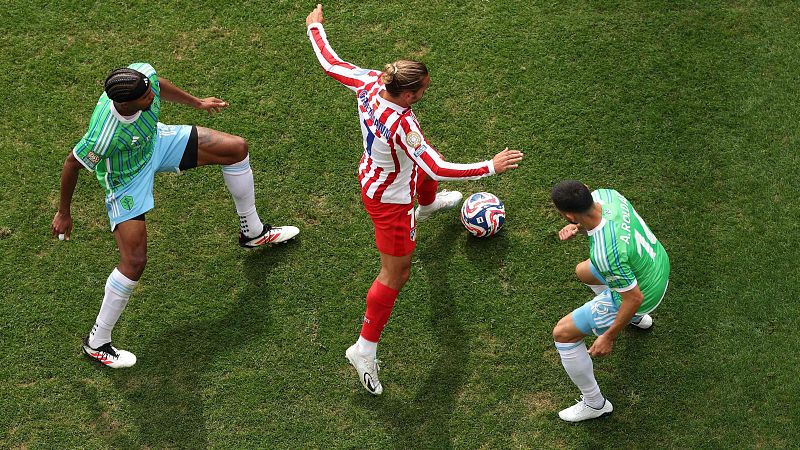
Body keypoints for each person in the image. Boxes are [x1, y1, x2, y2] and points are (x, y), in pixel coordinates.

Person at [305, 4, 524, 395]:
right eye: (423, 89)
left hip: (378, 171)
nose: (426, 92)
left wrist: (315, 28)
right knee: (396, 274)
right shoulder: (402, 124)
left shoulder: (371, 81)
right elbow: (439, 167)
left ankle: (426, 206)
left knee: (417, 172)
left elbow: (330, 63)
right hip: (390, 201)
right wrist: (490, 166)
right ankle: (364, 349)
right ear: (407, 93)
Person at [51, 63, 299, 368]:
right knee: (135, 262)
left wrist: (196, 102)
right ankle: (97, 342)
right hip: (127, 180)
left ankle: (253, 232)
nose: (153, 94)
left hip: (156, 142)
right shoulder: (104, 134)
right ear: (127, 104)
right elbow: (72, 164)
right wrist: (64, 212)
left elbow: (157, 82)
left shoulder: (140, 79)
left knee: (236, 148)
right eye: (147, 95)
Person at [550, 180, 670, 421]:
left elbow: (634, 297)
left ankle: (595, 404)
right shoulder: (608, 194)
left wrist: (609, 336)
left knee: (562, 334)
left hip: (644, 293)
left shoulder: (606, 253)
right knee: (584, 271)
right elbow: (602, 228)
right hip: (656, 264)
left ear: (569, 215)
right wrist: (579, 228)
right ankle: (631, 320)